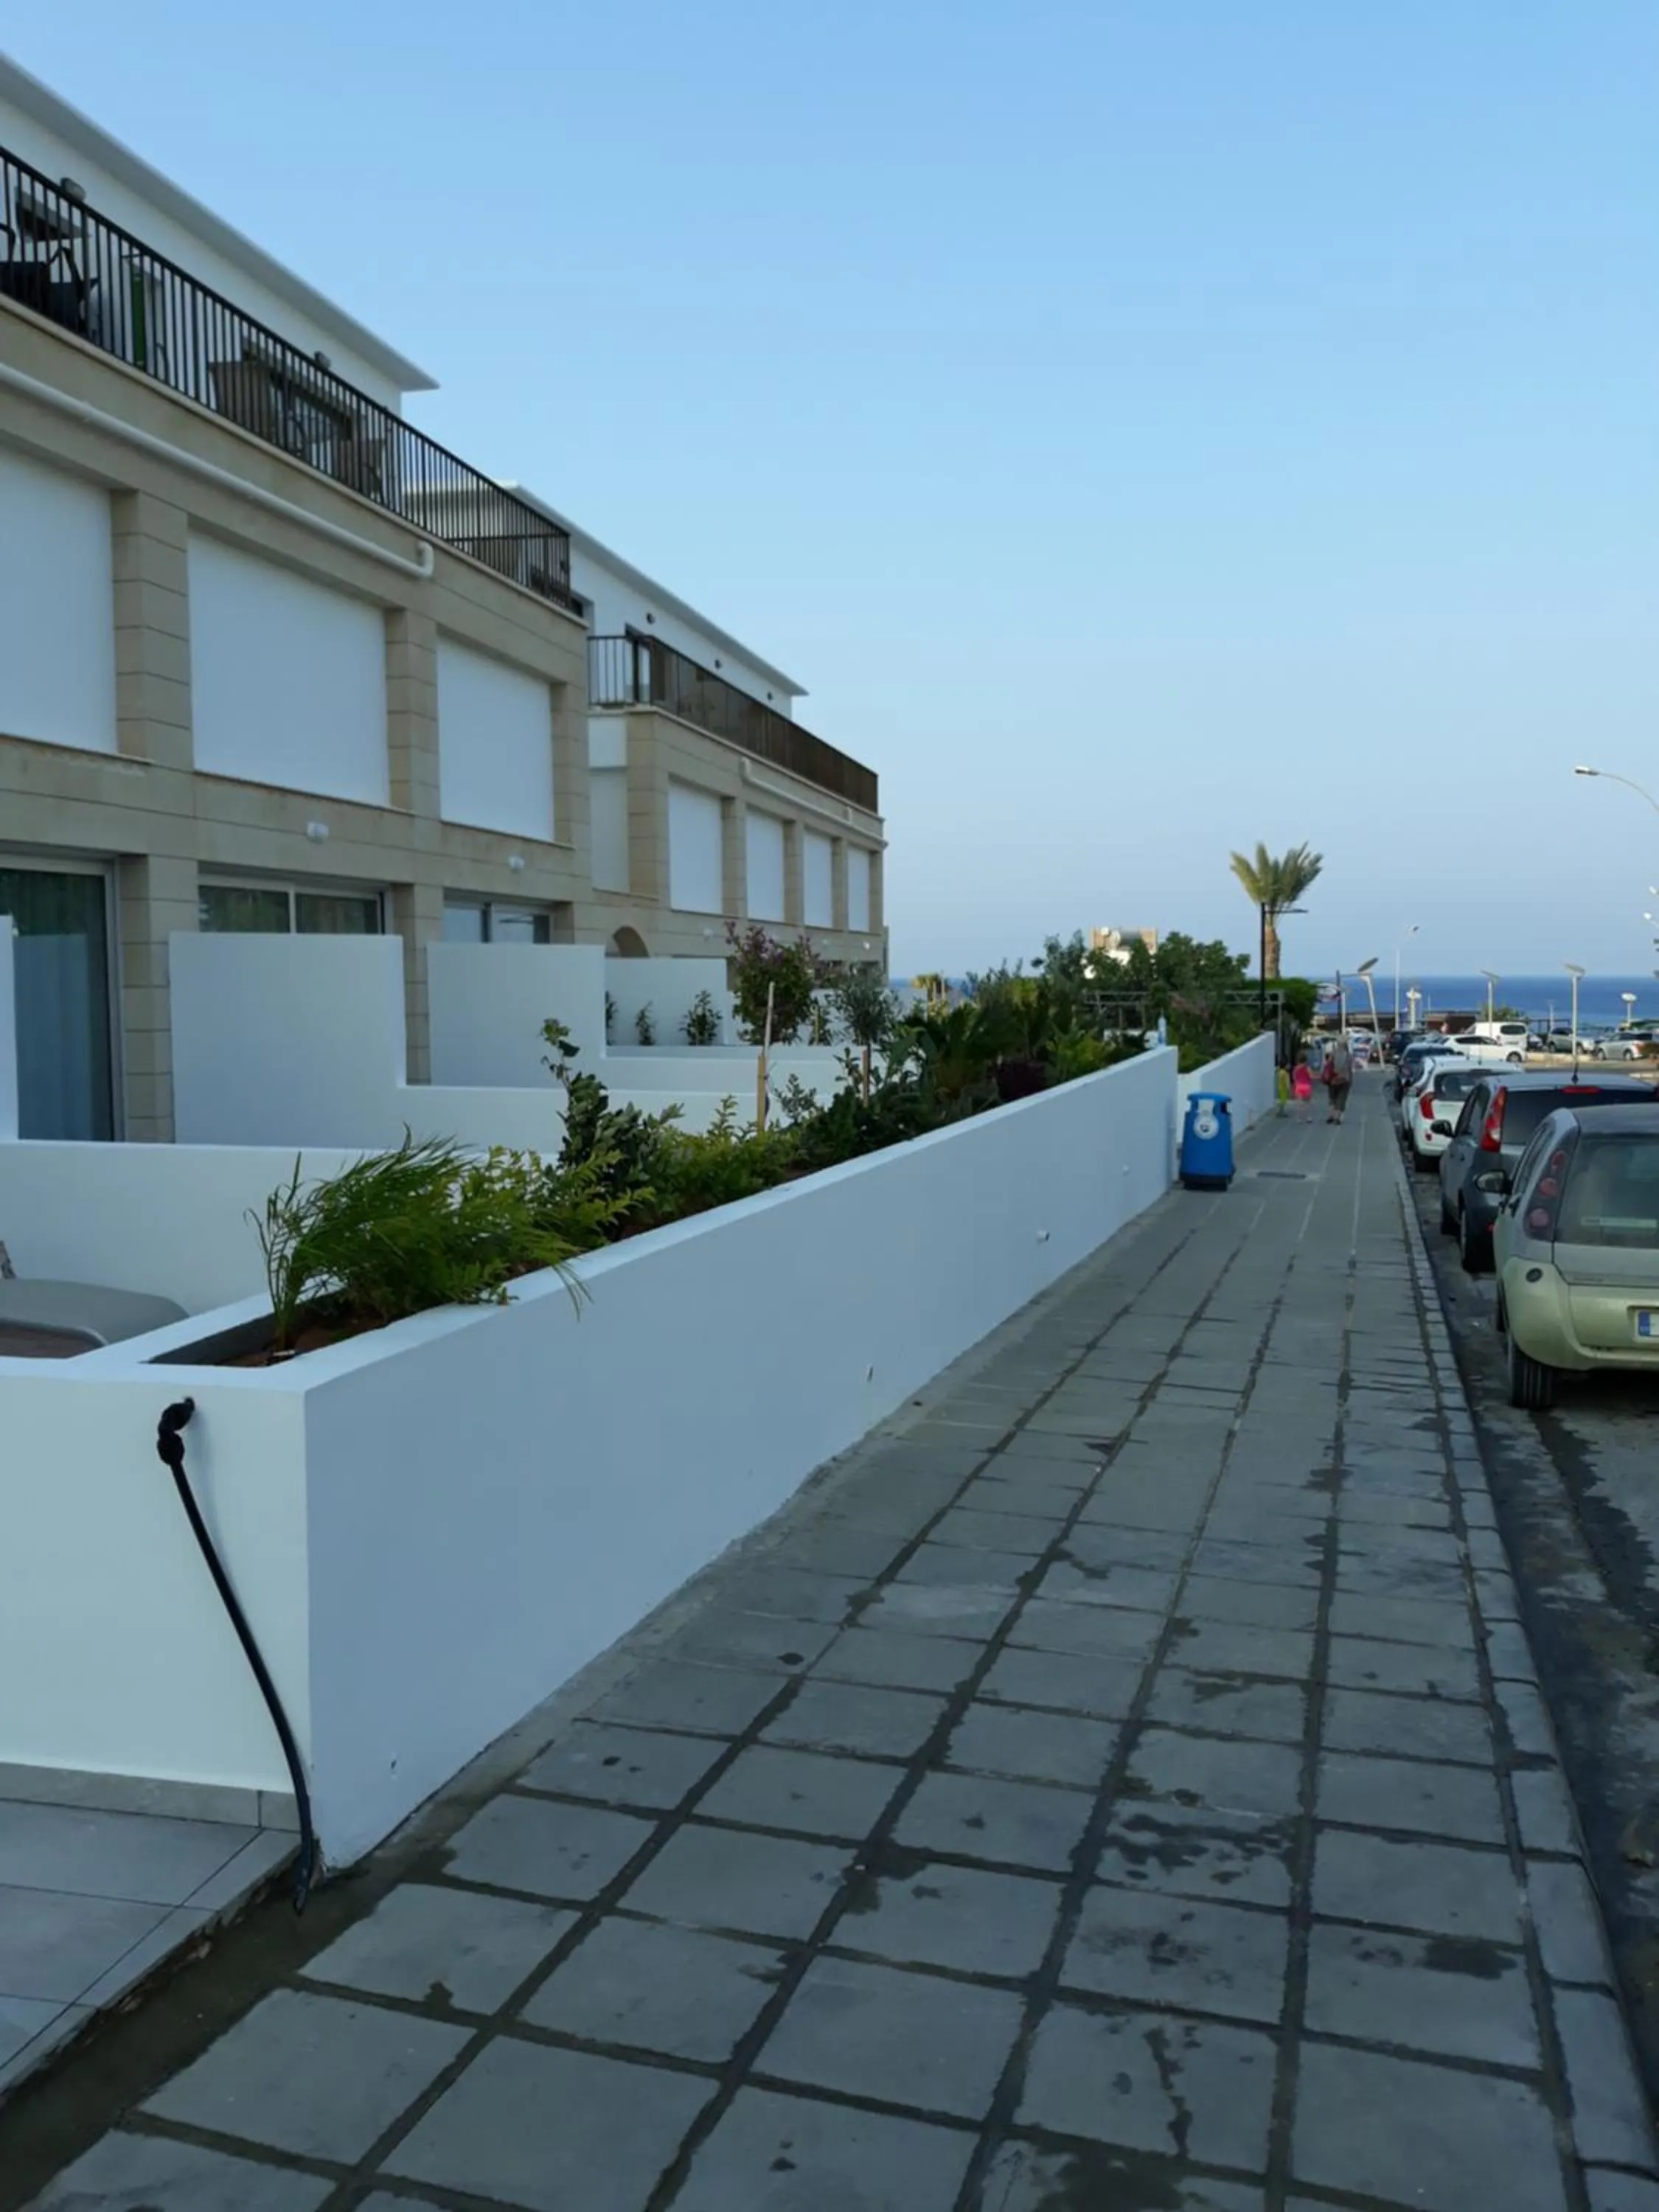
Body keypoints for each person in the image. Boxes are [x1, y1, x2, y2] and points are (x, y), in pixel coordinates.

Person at [1324, 1033, 1354, 1124]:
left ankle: (1331, 1115)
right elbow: (1350, 1069)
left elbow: (1327, 1067)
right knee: (1341, 1098)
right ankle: (1337, 1118)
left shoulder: (1332, 1055)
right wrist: (1351, 1081)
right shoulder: (1349, 1056)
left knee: (1332, 1098)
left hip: (1333, 1079)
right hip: (1344, 1079)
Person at [1291, 1056, 1315, 1121]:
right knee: (1308, 1103)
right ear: (1305, 1060)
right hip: (1307, 1086)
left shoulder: (1296, 1068)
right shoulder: (1307, 1068)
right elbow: (1311, 1076)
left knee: (1300, 1103)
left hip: (1299, 1086)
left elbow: (1294, 1078)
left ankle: (1299, 1118)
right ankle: (1308, 1118)